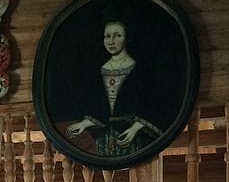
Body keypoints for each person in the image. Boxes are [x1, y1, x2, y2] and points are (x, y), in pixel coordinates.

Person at [63, 20, 166, 158]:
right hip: (104, 138)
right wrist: (83, 124)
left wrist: (135, 128)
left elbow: (151, 102)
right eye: (107, 36)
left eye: (117, 35)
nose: (111, 41)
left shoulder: (140, 69)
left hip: (132, 137)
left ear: (126, 38)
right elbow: (98, 106)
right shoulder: (101, 70)